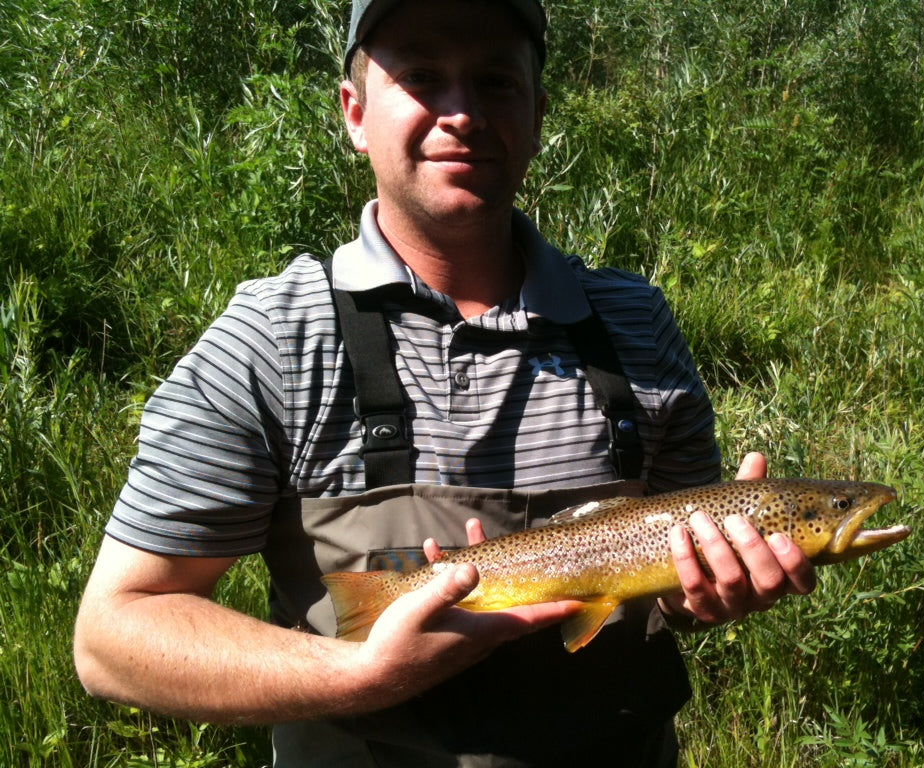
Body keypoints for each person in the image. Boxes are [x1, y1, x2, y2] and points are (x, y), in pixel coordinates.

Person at [73, 1, 816, 765]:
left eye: (496, 81)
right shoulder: (273, 339)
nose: (462, 113)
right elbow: (112, 637)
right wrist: (357, 674)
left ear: (537, 115)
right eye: (423, 76)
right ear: (355, 113)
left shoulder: (637, 322)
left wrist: (710, 592)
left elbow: (671, 589)